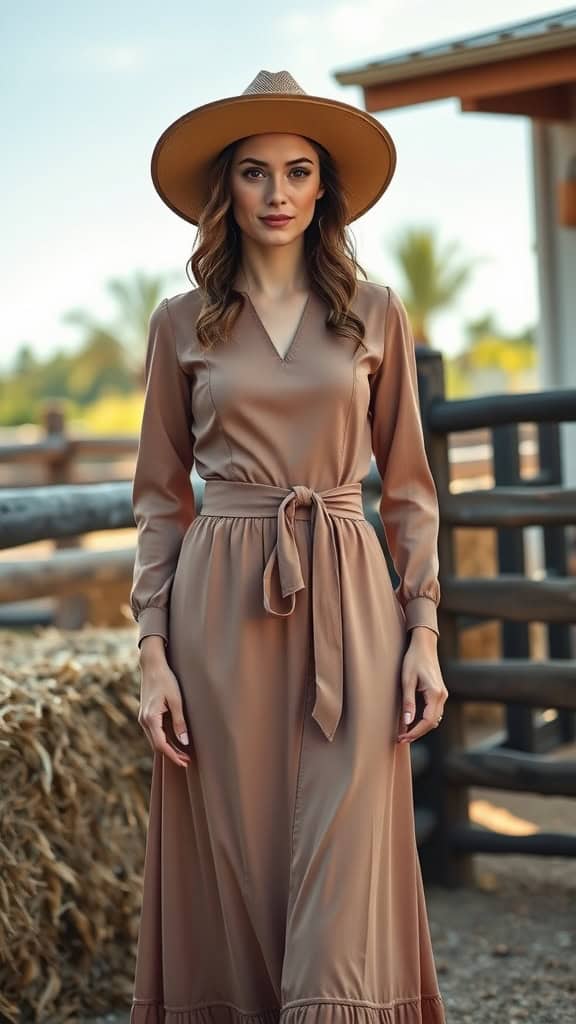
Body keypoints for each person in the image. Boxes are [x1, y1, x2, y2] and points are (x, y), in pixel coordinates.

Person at [129, 69, 448, 1024]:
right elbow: (157, 496)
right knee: (241, 859)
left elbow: (411, 489)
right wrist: (152, 653)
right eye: (256, 174)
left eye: (298, 172)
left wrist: (423, 630)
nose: (277, 195)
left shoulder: (375, 312)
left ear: (323, 190)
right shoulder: (180, 323)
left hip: (352, 600)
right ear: (226, 190)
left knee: (346, 855)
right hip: (219, 611)